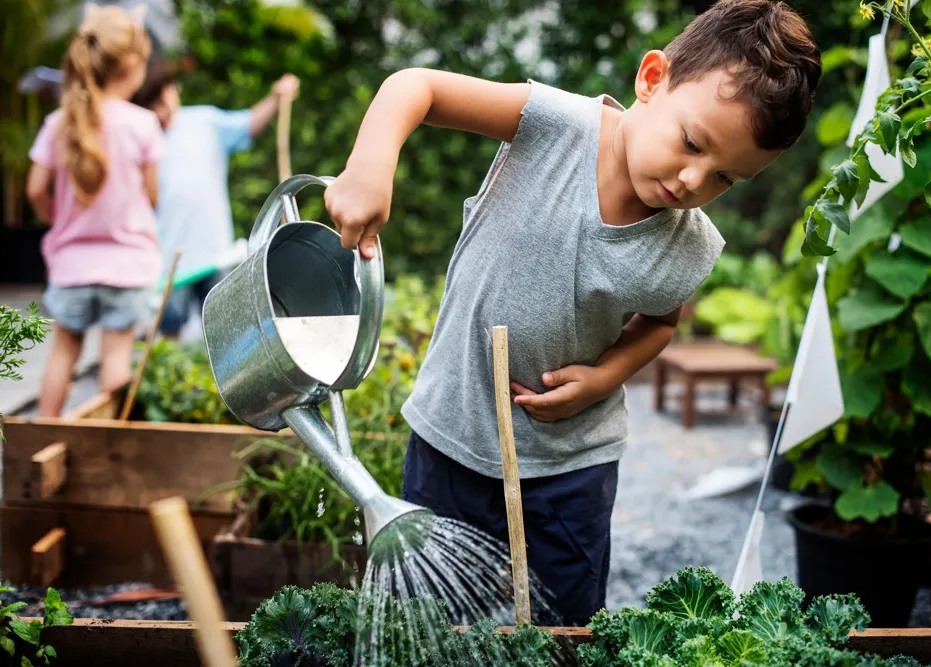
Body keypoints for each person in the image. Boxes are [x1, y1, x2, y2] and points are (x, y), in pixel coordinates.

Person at [324, 0, 821, 624]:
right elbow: (415, 87)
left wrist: (605, 376)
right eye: (692, 143)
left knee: (567, 627)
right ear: (652, 79)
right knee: (430, 620)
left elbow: (660, 324)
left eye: (726, 178)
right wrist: (371, 165)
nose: (695, 181)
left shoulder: (688, 246)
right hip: (452, 433)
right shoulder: (553, 125)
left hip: (572, 465)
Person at [27, 5, 163, 417]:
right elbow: (152, 196)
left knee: (63, 352)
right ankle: (111, 441)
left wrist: (57, 219)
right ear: (132, 64)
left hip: (72, 264)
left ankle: (42, 433)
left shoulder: (59, 122)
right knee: (116, 356)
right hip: (127, 266)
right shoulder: (142, 124)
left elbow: (35, 189)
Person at [130, 54, 300, 338]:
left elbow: (247, 123)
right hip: (170, 260)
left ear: (173, 89)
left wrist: (275, 97)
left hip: (215, 252)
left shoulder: (204, 122)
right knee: (168, 329)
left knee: (226, 331)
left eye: (162, 99)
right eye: (151, 105)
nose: (160, 111)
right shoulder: (141, 137)